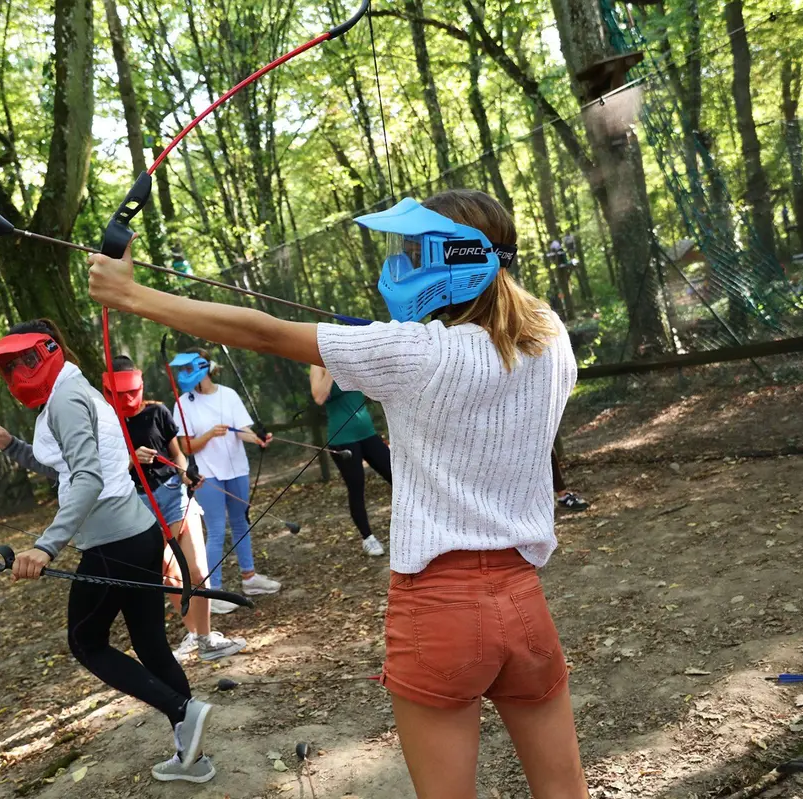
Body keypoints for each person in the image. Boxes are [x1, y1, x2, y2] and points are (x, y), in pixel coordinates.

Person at [88, 190, 588, 798]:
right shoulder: (551, 337)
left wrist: (131, 295)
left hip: (440, 607)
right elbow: (505, 316)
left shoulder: (418, 353)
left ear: (454, 259)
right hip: (522, 599)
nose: (403, 264)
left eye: (415, 250)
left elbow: (266, 333)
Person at [0, 319, 215, 784]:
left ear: (49, 350)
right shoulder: (74, 389)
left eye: (26, 360)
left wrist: (45, 548)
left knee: (86, 641)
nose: (18, 373)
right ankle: (193, 758)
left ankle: (183, 709)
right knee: (149, 644)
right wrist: (12, 445)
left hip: (112, 542)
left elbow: (87, 479)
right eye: (8, 366)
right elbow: (70, 468)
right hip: (139, 534)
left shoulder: (65, 397)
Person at [107, 354, 247, 661]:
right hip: (139, 504)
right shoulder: (106, 423)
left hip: (174, 494)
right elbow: (104, 471)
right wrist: (131, 460)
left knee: (196, 570)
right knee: (169, 574)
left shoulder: (157, 411)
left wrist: (186, 473)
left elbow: (177, 453)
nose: (129, 398)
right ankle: (194, 633)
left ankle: (207, 639)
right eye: (121, 393)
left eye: (133, 390)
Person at [167, 350, 280, 614]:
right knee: (216, 529)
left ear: (203, 368)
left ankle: (249, 578)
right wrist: (208, 435)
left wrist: (259, 439)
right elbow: (186, 446)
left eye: (187, 369)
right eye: (180, 371)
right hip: (208, 474)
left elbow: (242, 431)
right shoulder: (183, 403)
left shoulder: (228, 395)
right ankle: (212, 591)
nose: (183, 375)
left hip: (237, 469)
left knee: (241, 522)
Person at [308, 364, 391, 556]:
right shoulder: (316, 365)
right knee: (356, 487)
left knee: (397, 477)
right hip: (342, 438)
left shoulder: (349, 355)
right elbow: (319, 397)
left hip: (368, 433)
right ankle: (367, 538)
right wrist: (330, 365)